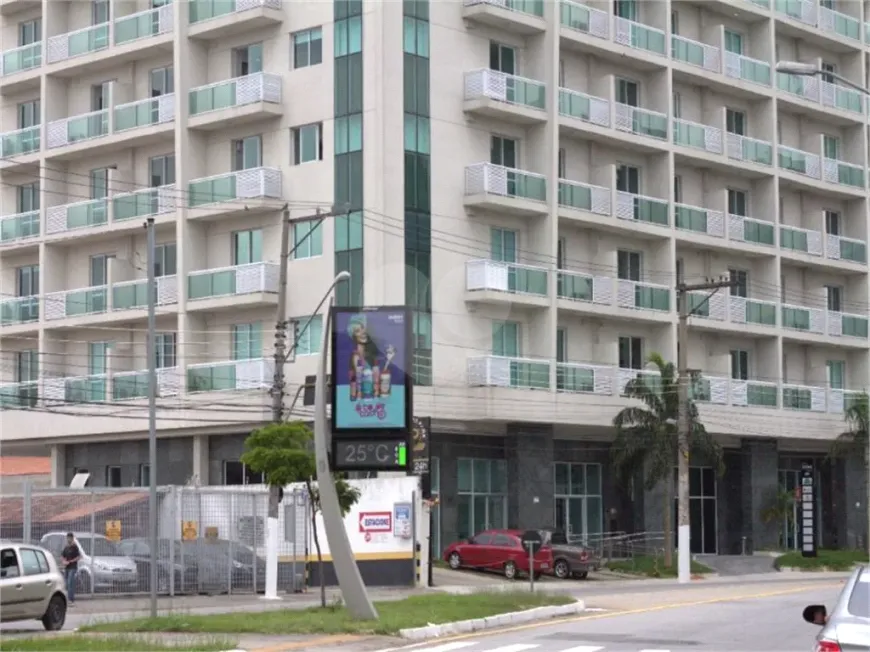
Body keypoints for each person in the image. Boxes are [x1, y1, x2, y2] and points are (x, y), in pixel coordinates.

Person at [60, 532, 81, 605]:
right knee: (66, 583)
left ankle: (71, 600)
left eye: (70, 538)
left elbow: (78, 557)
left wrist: (71, 561)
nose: (68, 539)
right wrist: (63, 561)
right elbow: (62, 556)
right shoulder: (66, 547)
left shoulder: (75, 547)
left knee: (70, 582)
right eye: (67, 538)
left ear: (72, 538)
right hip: (67, 567)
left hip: (73, 567)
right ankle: (67, 599)